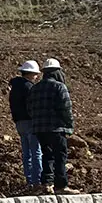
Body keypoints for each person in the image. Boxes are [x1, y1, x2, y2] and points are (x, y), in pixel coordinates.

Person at [27, 58, 78, 194]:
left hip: (39, 129)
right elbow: (66, 108)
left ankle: (46, 183)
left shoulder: (35, 88)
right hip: (56, 129)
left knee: (47, 155)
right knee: (60, 156)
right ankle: (61, 185)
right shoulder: (60, 87)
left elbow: (30, 108)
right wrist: (69, 126)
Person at [8, 60, 43, 189]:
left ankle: (29, 180)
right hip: (30, 122)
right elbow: (32, 106)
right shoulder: (29, 87)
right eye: (35, 74)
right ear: (30, 74)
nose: (36, 77)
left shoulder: (15, 87)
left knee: (26, 152)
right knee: (36, 152)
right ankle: (37, 180)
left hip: (19, 122)